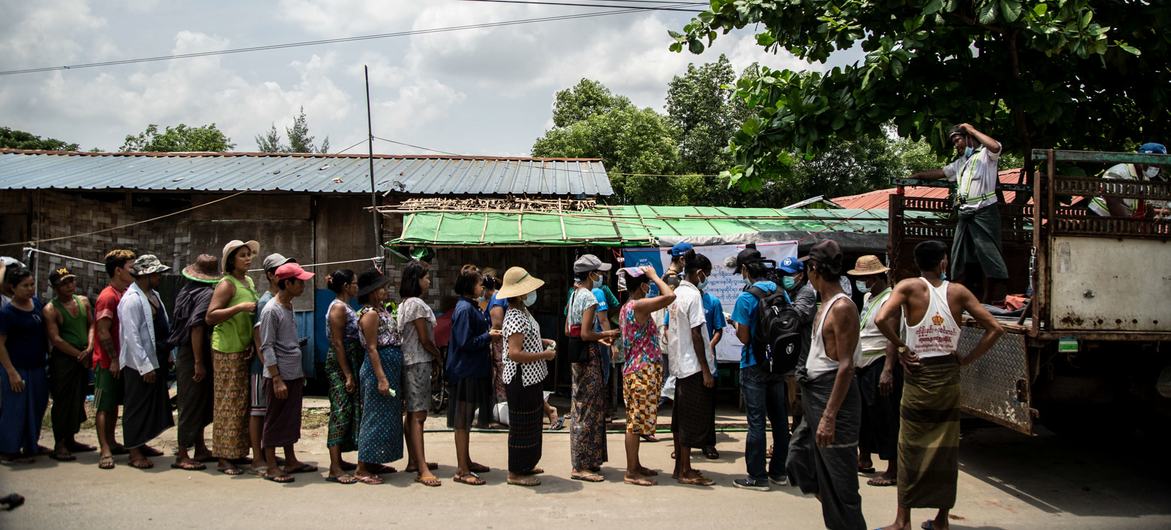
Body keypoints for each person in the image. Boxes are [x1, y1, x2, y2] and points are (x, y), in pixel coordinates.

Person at [875, 241, 1005, 530]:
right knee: (946, 449)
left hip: (918, 375)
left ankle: (902, 520)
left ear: (917, 262)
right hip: (947, 376)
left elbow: (882, 318)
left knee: (910, 446)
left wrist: (901, 347)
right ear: (943, 263)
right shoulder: (958, 292)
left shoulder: (908, 287)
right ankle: (942, 519)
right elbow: (995, 328)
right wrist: (966, 359)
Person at [786, 240, 866, 530]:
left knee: (842, 485)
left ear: (815, 269)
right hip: (816, 396)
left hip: (834, 399)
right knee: (799, 460)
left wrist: (829, 417)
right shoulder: (824, 304)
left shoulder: (842, 307)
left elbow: (846, 366)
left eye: (808, 267)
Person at [911, 123, 1007, 302]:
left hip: (984, 210)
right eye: (954, 141)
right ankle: (957, 294)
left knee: (989, 254)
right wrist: (919, 175)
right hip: (965, 213)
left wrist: (971, 129)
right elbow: (941, 172)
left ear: (969, 138)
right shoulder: (961, 163)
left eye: (958, 140)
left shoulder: (986, 155)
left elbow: (996, 146)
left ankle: (996, 298)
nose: (956, 145)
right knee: (958, 254)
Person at [730, 248, 790, 491]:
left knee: (756, 422)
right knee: (779, 421)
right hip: (777, 364)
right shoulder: (781, 292)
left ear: (745, 270)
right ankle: (779, 472)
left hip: (754, 363)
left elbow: (744, 338)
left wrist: (735, 324)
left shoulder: (746, 298)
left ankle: (757, 477)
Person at [496, 266, 557, 486]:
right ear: (520, 293)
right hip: (520, 379)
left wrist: (544, 342)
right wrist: (545, 354)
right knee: (521, 425)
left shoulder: (523, 312)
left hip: (531, 377)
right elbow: (515, 352)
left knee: (532, 422)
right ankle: (515, 472)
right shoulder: (514, 316)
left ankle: (527, 464)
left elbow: (525, 341)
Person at [258, 262, 316, 483]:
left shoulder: (288, 306)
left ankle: (290, 459)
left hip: (293, 373)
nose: (303, 285)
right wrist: (276, 378)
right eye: (299, 281)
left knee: (290, 418)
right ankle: (272, 466)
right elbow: (267, 346)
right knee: (275, 419)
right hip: (279, 375)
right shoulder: (271, 310)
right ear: (287, 283)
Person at [206, 239, 260, 476]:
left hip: (242, 346)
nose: (248, 259)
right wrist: (239, 308)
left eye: (249, 255)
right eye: (242, 255)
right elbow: (211, 316)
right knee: (227, 403)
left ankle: (237, 451)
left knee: (241, 404)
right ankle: (223, 458)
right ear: (231, 260)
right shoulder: (227, 284)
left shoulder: (247, 280)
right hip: (227, 349)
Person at [847, 255, 901, 487]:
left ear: (876, 277)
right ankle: (865, 457)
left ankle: (893, 469)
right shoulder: (869, 297)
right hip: (863, 364)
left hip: (880, 362)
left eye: (866, 278)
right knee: (865, 416)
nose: (863, 283)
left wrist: (888, 369)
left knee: (885, 417)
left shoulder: (890, 299)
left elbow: (892, 335)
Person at [666, 251, 719, 487]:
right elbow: (697, 334)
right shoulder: (694, 296)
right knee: (689, 420)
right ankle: (685, 469)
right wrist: (706, 370)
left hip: (679, 365)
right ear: (699, 273)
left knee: (679, 419)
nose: (704, 278)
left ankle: (680, 467)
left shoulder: (676, 293)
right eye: (705, 275)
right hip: (692, 367)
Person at [617, 266, 674, 487]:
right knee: (634, 423)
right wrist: (653, 276)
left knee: (637, 421)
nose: (650, 286)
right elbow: (669, 295)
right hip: (641, 371)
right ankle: (631, 471)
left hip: (638, 370)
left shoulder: (627, 307)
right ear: (642, 286)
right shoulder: (638, 306)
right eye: (647, 283)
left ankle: (636, 465)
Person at [118, 254, 175, 470]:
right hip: (138, 363)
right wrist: (144, 366)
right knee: (137, 405)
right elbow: (131, 337)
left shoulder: (154, 295)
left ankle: (142, 442)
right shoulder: (131, 300)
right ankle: (134, 450)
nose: (159, 277)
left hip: (158, 356)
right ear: (145, 276)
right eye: (155, 274)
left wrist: (169, 355)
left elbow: (162, 326)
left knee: (151, 404)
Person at [567, 254, 620, 482]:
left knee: (581, 408)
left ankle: (585, 461)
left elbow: (571, 330)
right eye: (597, 272)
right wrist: (606, 334)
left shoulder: (573, 295)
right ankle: (581, 465)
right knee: (588, 410)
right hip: (588, 358)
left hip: (578, 356)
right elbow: (587, 333)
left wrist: (596, 338)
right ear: (590, 275)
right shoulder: (588, 297)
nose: (600, 276)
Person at [447, 264, 501, 485]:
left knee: (467, 419)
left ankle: (466, 460)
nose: (483, 287)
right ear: (470, 286)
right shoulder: (464, 310)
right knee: (462, 420)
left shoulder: (473, 306)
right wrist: (488, 337)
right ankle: (461, 469)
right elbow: (464, 342)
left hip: (473, 369)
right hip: (464, 371)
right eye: (480, 283)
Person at [167, 254, 220, 470]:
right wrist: (199, 362)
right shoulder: (206, 294)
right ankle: (182, 453)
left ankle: (200, 447)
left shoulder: (186, 290)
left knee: (199, 401)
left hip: (186, 352)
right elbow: (196, 327)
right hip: (193, 353)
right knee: (191, 402)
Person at [355, 269, 404, 485]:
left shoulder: (381, 310)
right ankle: (362, 467)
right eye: (381, 288)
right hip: (379, 368)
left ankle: (375, 460)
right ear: (372, 292)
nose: (385, 291)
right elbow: (372, 348)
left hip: (390, 366)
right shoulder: (370, 314)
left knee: (387, 415)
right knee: (374, 417)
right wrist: (382, 378)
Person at [43, 266, 97, 462]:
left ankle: (71, 438)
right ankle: (60, 443)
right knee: (63, 400)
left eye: (71, 281)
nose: (69, 286)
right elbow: (55, 339)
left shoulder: (83, 301)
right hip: (65, 359)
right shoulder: (50, 309)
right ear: (55, 287)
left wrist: (90, 347)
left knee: (79, 397)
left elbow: (92, 324)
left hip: (83, 355)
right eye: (64, 283)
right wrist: (78, 354)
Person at [249, 253, 295, 473]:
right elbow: (261, 340)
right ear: (271, 275)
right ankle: (260, 458)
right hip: (266, 368)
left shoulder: (286, 303)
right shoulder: (267, 303)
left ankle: (283, 456)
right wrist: (273, 373)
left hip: (279, 367)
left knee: (279, 412)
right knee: (261, 412)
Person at [397, 260, 442, 487]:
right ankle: (421, 468)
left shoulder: (406, 303)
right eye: (425, 277)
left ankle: (415, 460)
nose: (428, 281)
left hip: (411, 362)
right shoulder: (415, 304)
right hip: (418, 362)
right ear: (416, 280)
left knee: (412, 413)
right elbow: (424, 339)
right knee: (418, 415)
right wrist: (437, 356)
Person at [0, 267, 49, 464]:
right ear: (12, 288)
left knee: (37, 406)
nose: (30, 289)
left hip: (37, 365)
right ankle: (8, 450)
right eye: (25, 286)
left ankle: (31, 444)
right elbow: (0, 344)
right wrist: (11, 372)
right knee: (15, 409)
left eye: (31, 285)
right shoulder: (7, 313)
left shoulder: (36, 304)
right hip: (16, 368)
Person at [92, 249, 136, 470]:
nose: (134, 271)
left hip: (122, 359)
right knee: (104, 406)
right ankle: (104, 449)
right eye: (130, 267)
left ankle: (112, 440)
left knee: (115, 406)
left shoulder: (125, 292)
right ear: (118, 271)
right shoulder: (108, 296)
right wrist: (113, 359)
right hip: (107, 361)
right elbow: (103, 331)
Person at [323, 269, 362, 484]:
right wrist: (347, 374)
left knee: (347, 409)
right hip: (340, 362)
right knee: (340, 410)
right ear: (346, 286)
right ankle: (334, 467)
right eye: (354, 283)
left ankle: (339, 459)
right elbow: (338, 343)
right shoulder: (338, 308)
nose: (357, 287)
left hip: (349, 360)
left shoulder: (346, 306)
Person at [1089, 142, 1167, 218]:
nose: (1157, 167)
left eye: (1159, 164)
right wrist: (1128, 225)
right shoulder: (1120, 171)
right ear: (1141, 158)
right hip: (1099, 215)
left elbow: (1146, 203)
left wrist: (1154, 218)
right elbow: (1112, 201)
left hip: (1120, 218)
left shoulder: (1145, 178)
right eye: (1153, 163)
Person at [699, 285, 725, 460]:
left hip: (708, 362)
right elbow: (669, 326)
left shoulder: (713, 301)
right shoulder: (680, 299)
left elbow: (719, 329)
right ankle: (685, 446)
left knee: (707, 406)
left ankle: (709, 444)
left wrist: (709, 346)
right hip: (687, 363)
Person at [482, 267, 509, 420]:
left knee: (501, 378)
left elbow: (497, 326)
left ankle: (503, 414)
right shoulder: (499, 297)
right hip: (501, 345)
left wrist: (485, 339)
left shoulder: (496, 299)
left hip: (500, 345)